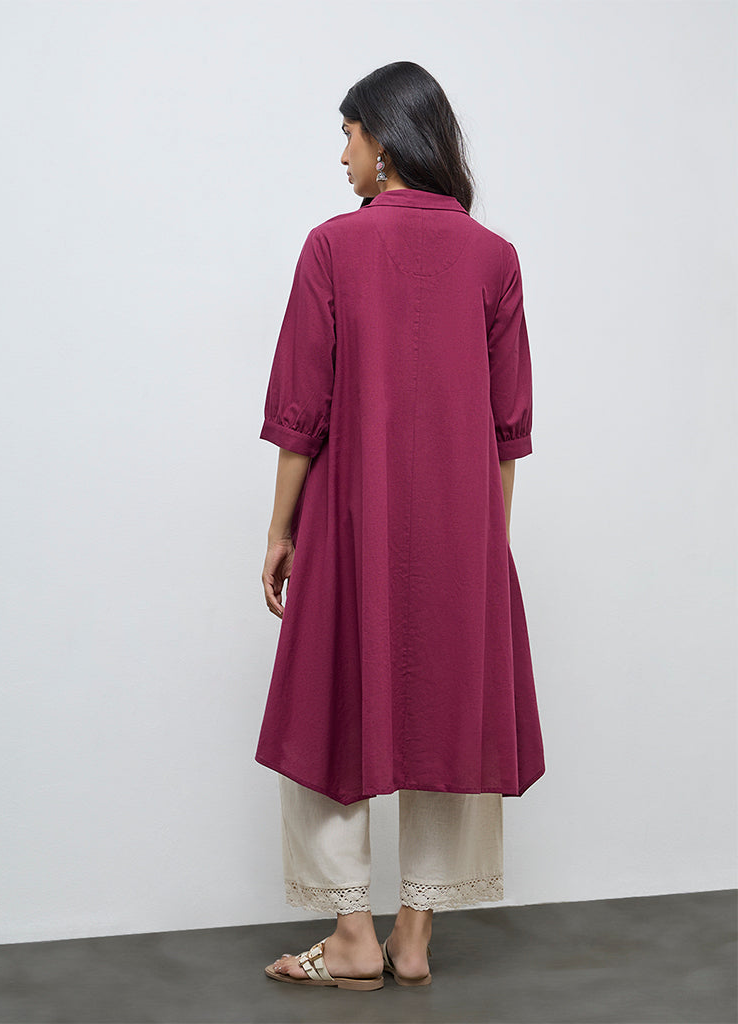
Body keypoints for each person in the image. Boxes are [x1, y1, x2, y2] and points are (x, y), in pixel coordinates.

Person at [257, 61, 545, 991]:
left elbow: (300, 414)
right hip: (466, 532)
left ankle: (352, 936)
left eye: (348, 134)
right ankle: (412, 939)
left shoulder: (332, 247)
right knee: (450, 717)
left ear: (383, 140)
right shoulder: (495, 258)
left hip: (352, 523)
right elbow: (507, 430)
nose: (341, 154)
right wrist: (490, 547)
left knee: (324, 707)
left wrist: (280, 531)